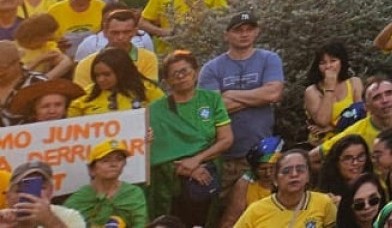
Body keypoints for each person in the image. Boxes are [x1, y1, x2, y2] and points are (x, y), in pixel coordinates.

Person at [202, 12, 287, 228]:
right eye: (238, 30)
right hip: (224, 158)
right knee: (221, 217)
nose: (244, 34)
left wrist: (230, 95)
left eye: (249, 29)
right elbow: (213, 110)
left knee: (262, 215)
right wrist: (256, 97)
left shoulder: (269, 59)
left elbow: (273, 93)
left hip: (262, 158)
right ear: (226, 35)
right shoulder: (212, 68)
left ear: (257, 31)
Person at [149, 49, 235, 225]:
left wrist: (196, 160)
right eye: (174, 74)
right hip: (171, 183)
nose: (181, 77)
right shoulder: (156, 110)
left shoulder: (211, 99)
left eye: (184, 71)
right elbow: (156, 152)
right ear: (167, 81)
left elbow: (226, 139)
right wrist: (186, 169)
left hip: (206, 174)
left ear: (196, 72)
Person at [232, 147, 337, 228]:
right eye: (286, 171)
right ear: (275, 180)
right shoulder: (256, 210)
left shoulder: (324, 203)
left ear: (308, 176)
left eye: (300, 170)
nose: (294, 174)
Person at [63, 140, 149, 228]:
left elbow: (140, 224)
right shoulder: (78, 199)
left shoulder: (133, 193)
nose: (114, 164)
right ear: (92, 169)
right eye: (106, 160)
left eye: (119, 159)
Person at [3, 161, 84, 228]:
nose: (29, 195)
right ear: (8, 196)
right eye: (20, 190)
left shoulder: (69, 216)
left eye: (40, 187)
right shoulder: (3, 219)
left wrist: (50, 221)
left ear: (50, 192)